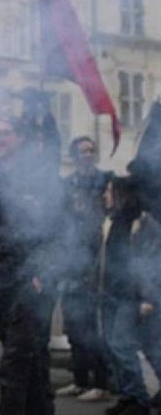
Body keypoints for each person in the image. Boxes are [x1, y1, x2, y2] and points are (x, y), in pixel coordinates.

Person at [0, 115, 60, 415]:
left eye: (4, 133)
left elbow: (54, 228)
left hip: (30, 281)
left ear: (20, 138)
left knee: (16, 362)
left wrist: (42, 272)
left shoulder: (37, 176)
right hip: (4, 281)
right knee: (33, 360)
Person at [98, 176, 161, 415]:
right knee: (128, 346)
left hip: (132, 296)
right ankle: (128, 396)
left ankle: (138, 400)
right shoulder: (113, 221)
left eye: (109, 191)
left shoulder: (142, 223)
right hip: (113, 293)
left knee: (122, 345)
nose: (105, 195)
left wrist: (148, 297)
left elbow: (150, 263)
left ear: (121, 194)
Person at [56, 136, 112, 402]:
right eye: (83, 151)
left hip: (94, 264)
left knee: (92, 329)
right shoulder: (67, 185)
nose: (88, 154)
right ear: (74, 155)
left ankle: (100, 383)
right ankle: (80, 380)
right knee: (75, 327)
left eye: (92, 150)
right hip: (70, 263)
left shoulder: (104, 181)